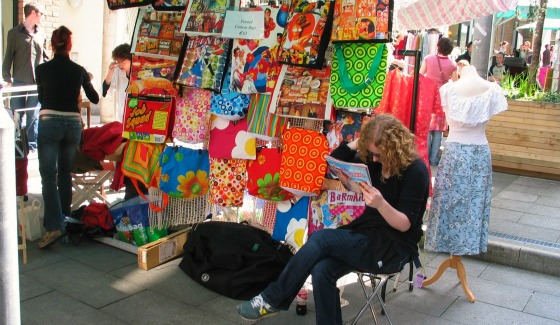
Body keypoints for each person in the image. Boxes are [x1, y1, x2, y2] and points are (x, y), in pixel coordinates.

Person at [236, 114, 430, 325]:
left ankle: (271, 299)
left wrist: (381, 204)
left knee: (321, 239)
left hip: (394, 247)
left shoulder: (416, 171)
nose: (374, 159)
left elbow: (404, 225)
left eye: (378, 154)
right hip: (366, 234)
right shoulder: (374, 161)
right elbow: (332, 164)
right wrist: (357, 143)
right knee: (321, 270)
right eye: (371, 153)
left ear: (394, 149)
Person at [425, 64, 507, 257]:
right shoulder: (448, 90)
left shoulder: (492, 90)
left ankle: (463, 248)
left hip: (460, 153)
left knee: (471, 202)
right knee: (451, 201)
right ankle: (452, 247)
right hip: (471, 153)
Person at [35, 26, 99, 248]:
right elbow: (95, 98)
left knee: (48, 176)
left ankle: (54, 227)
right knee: (64, 174)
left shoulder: (41, 69)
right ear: (70, 46)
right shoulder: (79, 70)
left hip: (50, 122)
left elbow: (43, 98)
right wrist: (83, 82)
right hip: (72, 124)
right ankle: (65, 221)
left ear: (52, 45)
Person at [2, 2, 49, 152]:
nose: (43, 16)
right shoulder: (14, 33)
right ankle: (16, 143)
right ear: (33, 14)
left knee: (33, 114)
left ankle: (31, 145)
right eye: (41, 13)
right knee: (17, 112)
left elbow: (46, 57)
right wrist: (7, 77)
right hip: (19, 81)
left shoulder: (41, 33)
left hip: (36, 82)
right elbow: (8, 56)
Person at [419, 37, 458, 166]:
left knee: (427, 129)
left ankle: (425, 157)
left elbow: (420, 75)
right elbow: (455, 83)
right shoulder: (453, 64)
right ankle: (434, 158)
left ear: (438, 46)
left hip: (427, 97)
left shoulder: (428, 59)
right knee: (438, 131)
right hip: (443, 100)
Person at [102, 43, 131, 122]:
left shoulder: (139, 72)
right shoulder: (117, 71)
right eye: (119, 62)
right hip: (122, 116)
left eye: (123, 63)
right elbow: (105, 92)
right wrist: (110, 71)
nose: (121, 65)